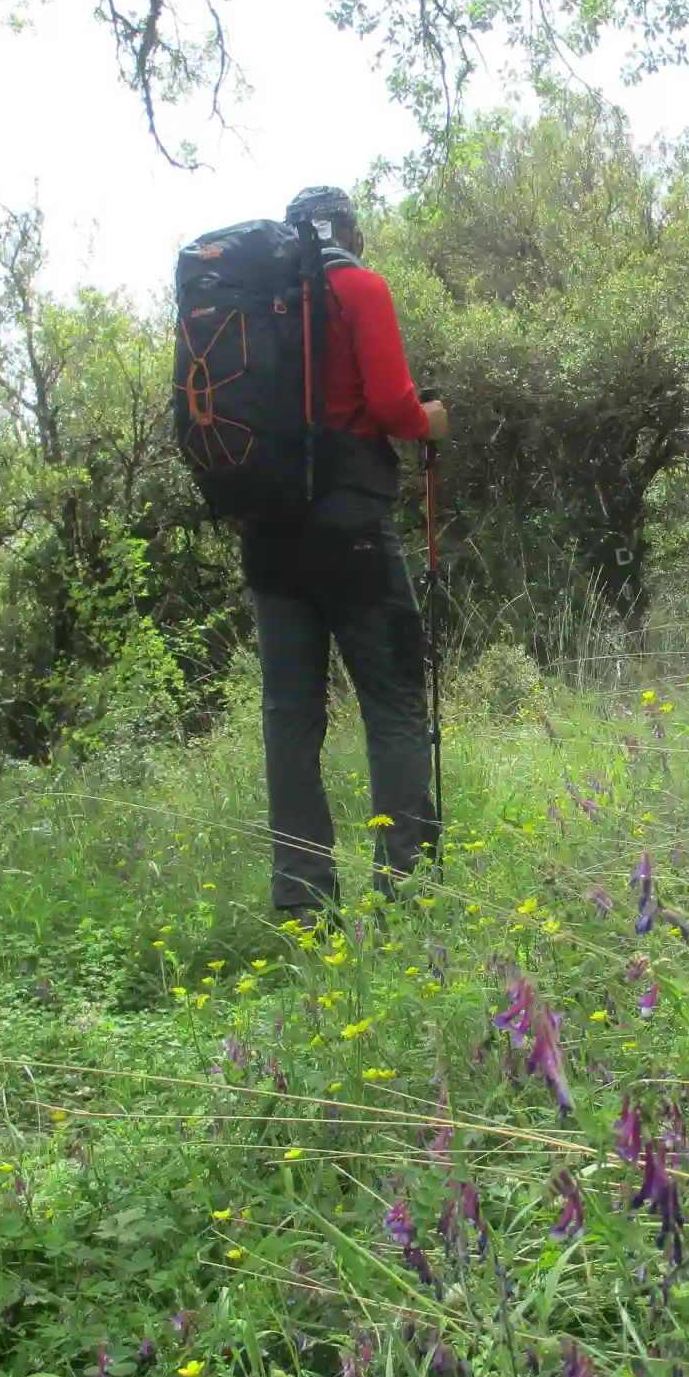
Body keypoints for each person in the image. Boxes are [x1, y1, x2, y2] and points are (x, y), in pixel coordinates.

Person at [240, 185, 449, 920]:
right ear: (351, 234)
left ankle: (303, 904)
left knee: (290, 716)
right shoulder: (359, 288)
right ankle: (405, 890)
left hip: (267, 532)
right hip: (352, 525)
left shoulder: (254, 303)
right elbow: (392, 408)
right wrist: (432, 419)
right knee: (392, 704)